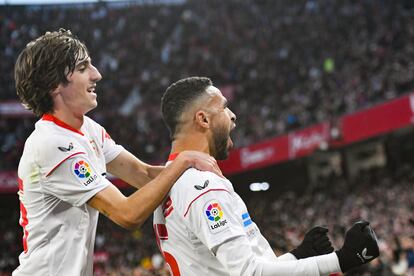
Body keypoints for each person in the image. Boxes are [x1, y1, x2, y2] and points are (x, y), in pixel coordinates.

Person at [12, 29, 222, 276]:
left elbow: (141, 173)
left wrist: (202, 184)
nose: (96, 74)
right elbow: (127, 214)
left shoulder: (87, 129)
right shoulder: (51, 143)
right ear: (54, 85)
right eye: (83, 68)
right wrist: (184, 160)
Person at [153, 76, 380, 275]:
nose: (233, 116)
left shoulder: (169, 183)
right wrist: (343, 259)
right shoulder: (202, 184)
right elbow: (251, 273)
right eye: (224, 108)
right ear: (203, 119)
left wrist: (297, 256)